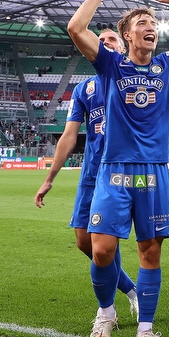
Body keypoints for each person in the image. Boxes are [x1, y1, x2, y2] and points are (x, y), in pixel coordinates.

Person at [67, 0, 169, 337]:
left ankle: (145, 327)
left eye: (153, 23)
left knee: (150, 251)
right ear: (129, 35)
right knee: (101, 248)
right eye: (143, 23)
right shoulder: (112, 65)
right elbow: (75, 28)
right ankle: (106, 313)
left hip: (153, 169)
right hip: (114, 169)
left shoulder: (167, 65)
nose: (151, 27)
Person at [34, 29, 138, 320]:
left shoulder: (134, 80)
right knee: (84, 241)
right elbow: (68, 137)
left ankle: (111, 309)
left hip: (123, 172)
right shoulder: (84, 90)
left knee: (104, 242)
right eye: (100, 41)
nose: (105, 44)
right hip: (92, 172)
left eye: (111, 40)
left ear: (124, 44)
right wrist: (49, 178)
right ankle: (132, 291)